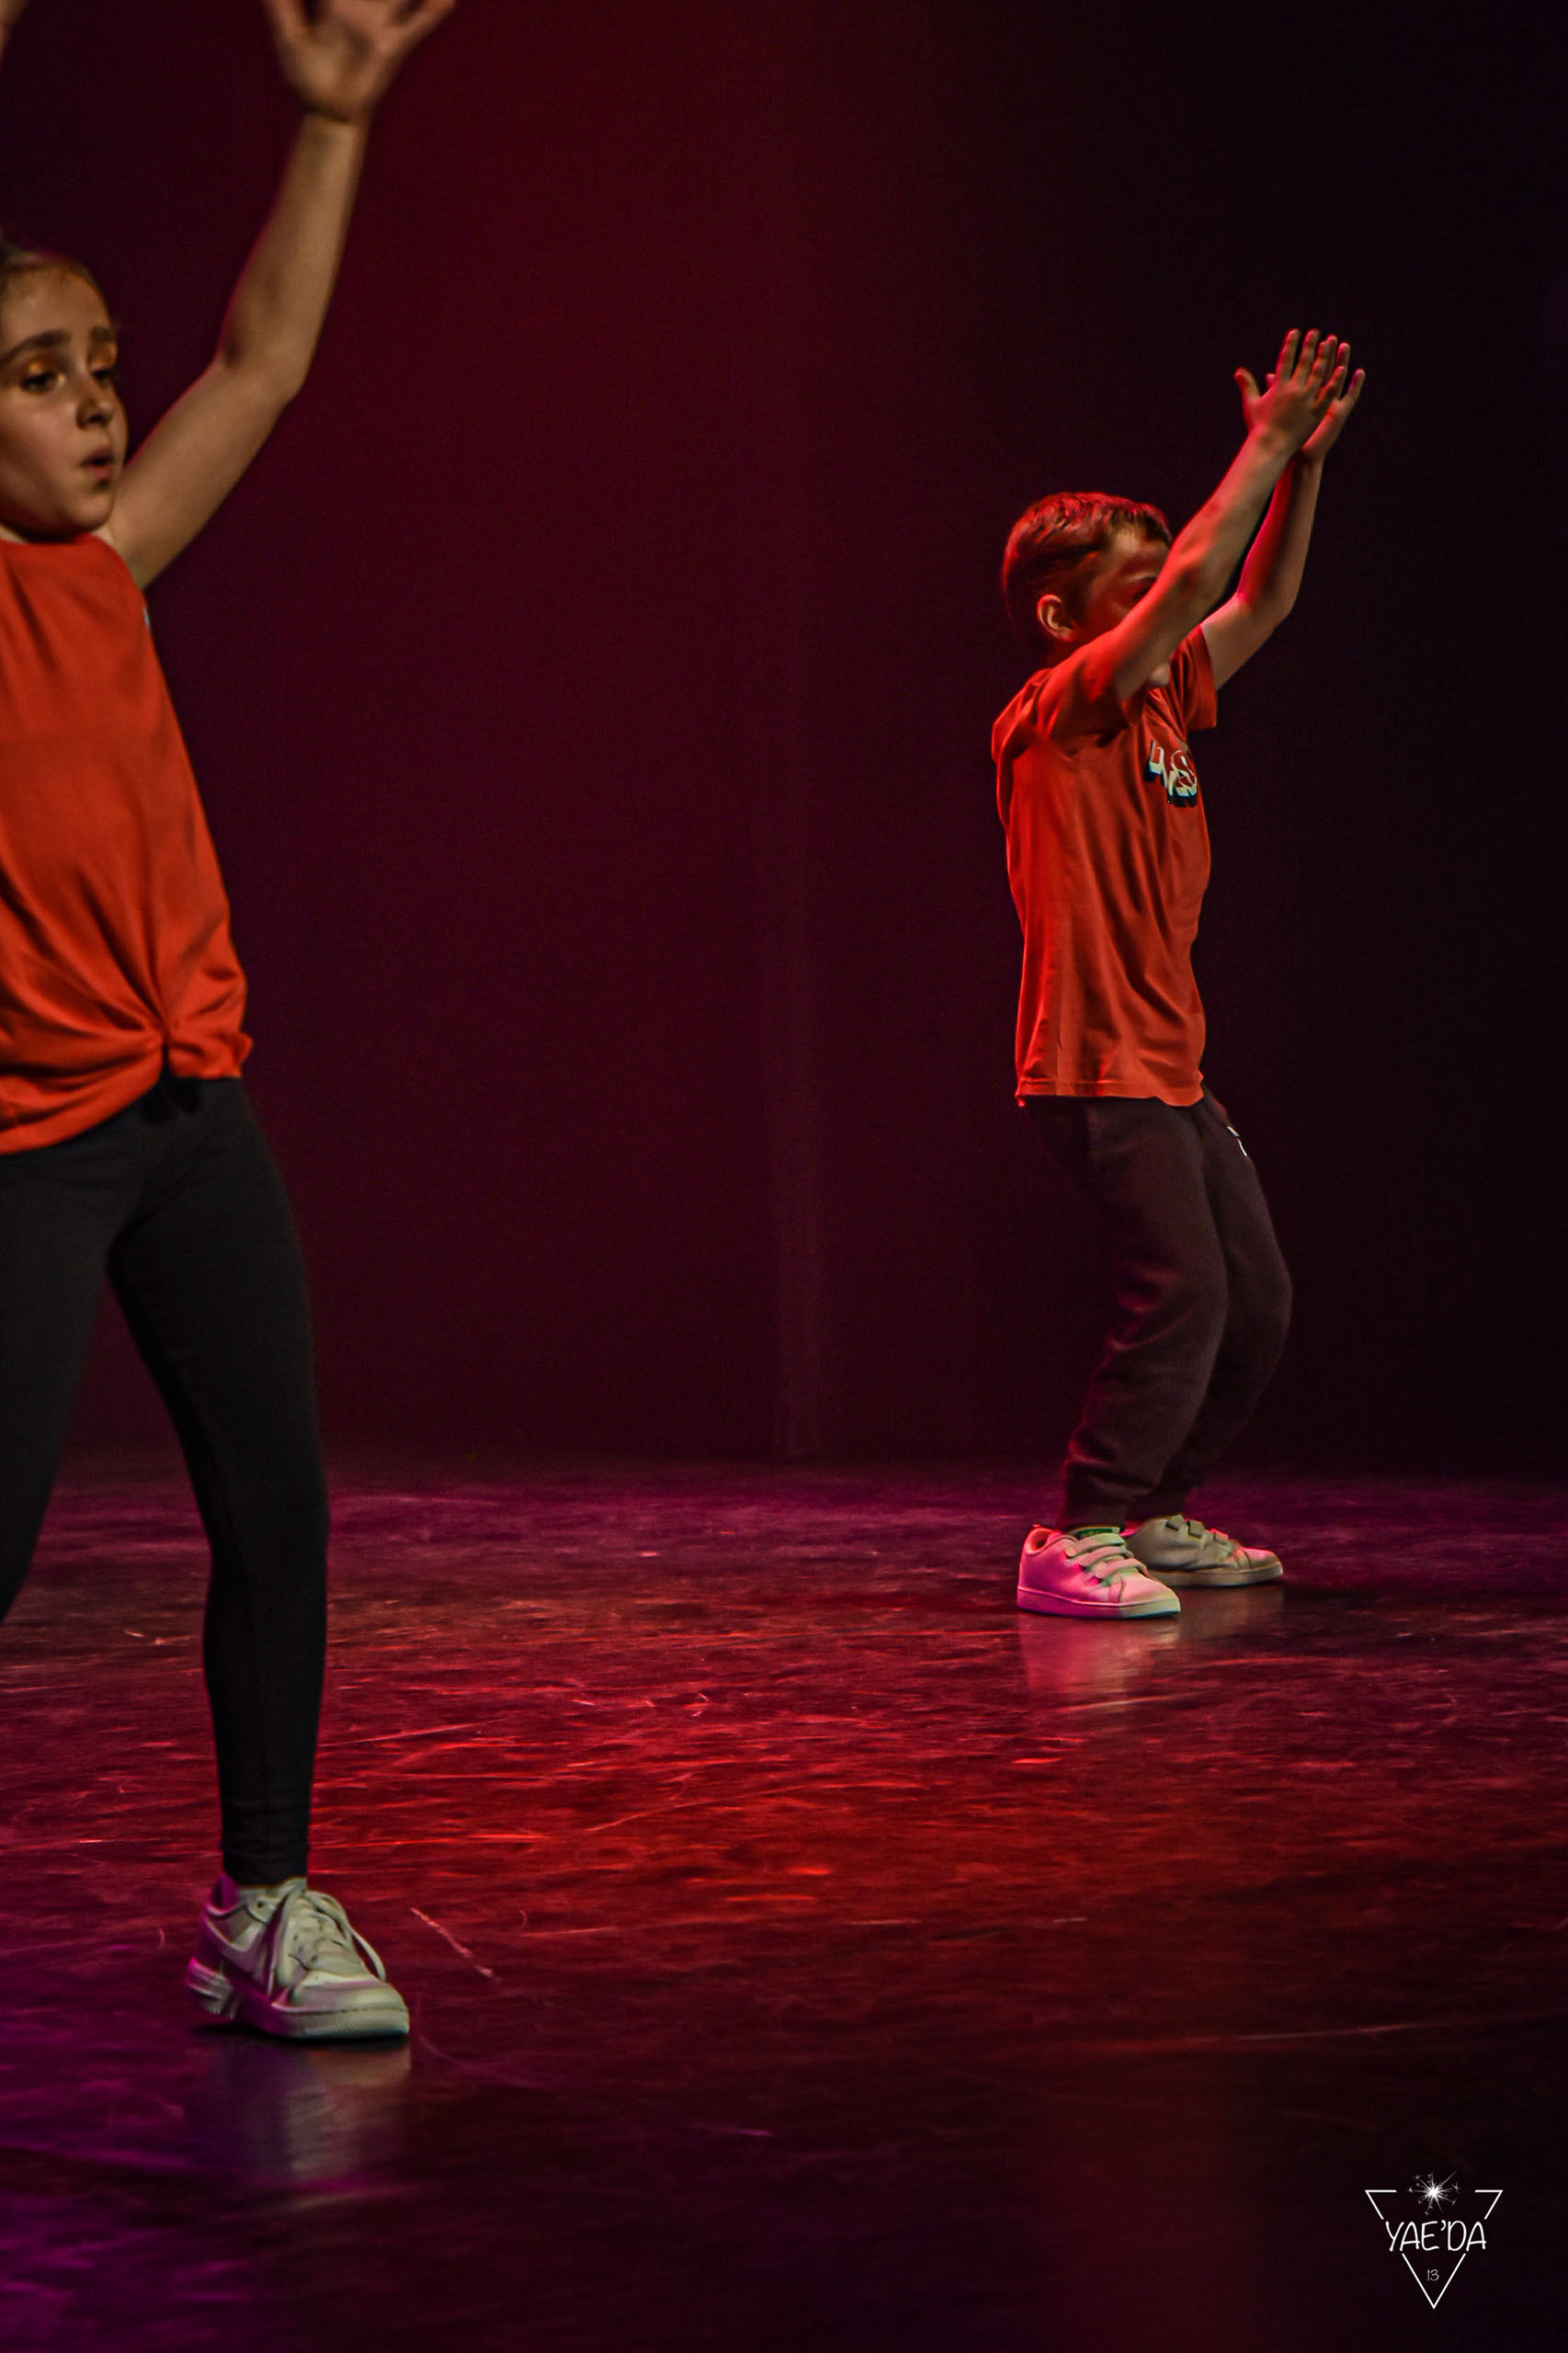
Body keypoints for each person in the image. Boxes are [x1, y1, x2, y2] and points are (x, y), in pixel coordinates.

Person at [0, 0, 454, 2034]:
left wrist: (330, 124)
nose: (97, 408)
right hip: (21, 1144)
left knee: (274, 1504)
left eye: (101, 368)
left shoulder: (105, 562)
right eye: (40, 378)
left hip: (191, 1116)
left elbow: (260, 360)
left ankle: (264, 1899)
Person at [995, 328, 1363, 1620]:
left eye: (1165, 583)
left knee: (1255, 1301)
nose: (1170, 600)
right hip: (1093, 1064)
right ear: (1067, 617)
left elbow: (1258, 599)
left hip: (1172, 1066)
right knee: (1185, 1292)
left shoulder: (1162, 697)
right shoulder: (1062, 704)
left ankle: (1156, 1507)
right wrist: (1262, 445)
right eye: (1140, 587)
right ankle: (1075, 1531)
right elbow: (1209, 570)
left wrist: (1301, 468)